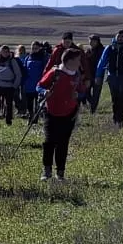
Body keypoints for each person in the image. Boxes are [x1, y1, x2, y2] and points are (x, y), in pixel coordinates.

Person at [38, 46, 85, 181]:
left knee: (63, 143)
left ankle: (60, 173)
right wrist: (44, 92)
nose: (79, 63)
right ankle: (46, 171)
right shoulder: (55, 73)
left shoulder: (76, 75)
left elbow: (82, 91)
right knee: (49, 142)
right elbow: (39, 86)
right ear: (69, 61)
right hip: (51, 111)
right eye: (77, 60)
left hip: (69, 113)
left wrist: (79, 95)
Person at [99, 29, 123, 125]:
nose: (120, 38)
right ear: (115, 37)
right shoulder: (110, 48)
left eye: (122, 37)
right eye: (119, 36)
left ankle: (120, 120)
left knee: (122, 98)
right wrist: (98, 75)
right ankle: (115, 119)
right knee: (114, 99)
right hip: (112, 76)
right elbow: (102, 61)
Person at [0, 46, 23, 125]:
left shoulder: (12, 61)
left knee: (9, 104)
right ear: (0, 52)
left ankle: (8, 121)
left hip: (9, 86)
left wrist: (14, 86)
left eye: (7, 51)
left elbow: (18, 74)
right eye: (3, 51)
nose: (5, 53)